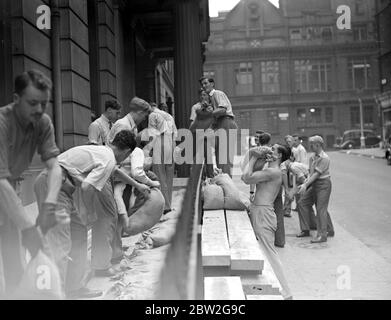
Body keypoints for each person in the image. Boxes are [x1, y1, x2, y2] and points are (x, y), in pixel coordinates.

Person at [35, 130, 150, 298]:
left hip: (60, 186)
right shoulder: (108, 159)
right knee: (59, 243)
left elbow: (115, 172)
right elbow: (87, 187)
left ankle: (74, 288)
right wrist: (89, 212)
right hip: (53, 185)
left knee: (79, 233)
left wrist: (138, 186)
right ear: (127, 152)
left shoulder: (104, 151)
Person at [0, 70, 63, 296]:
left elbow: (55, 166)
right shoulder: (2, 122)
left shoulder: (42, 123)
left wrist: (49, 205)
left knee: (14, 260)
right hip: (3, 187)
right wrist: (27, 227)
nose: (39, 109)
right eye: (33, 103)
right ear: (16, 99)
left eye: (44, 104)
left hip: (9, 190)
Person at [241, 144, 292, 300]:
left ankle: (287, 292)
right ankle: (276, 288)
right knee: (264, 252)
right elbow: (247, 169)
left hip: (263, 213)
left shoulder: (273, 172)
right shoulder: (269, 169)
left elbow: (246, 177)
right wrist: (256, 155)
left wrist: (256, 156)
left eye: (273, 149)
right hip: (260, 211)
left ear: (278, 156)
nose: (270, 150)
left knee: (270, 254)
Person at [297, 136, 335, 243]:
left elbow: (316, 175)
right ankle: (306, 229)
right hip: (314, 184)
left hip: (323, 184)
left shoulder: (325, 158)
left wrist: (305, 185)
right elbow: (310, 174)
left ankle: (322, 235)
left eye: (312, 144)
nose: (310, 146)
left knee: (320, 208)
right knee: (302, 203)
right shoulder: (312, 157)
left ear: (318, 145)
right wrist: (305, 183)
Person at [200, 77, 238, 177]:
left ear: (212, 84)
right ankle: (223, 180)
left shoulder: (217, 93)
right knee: (220, 156)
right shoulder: (210, 99)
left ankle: (227, 182)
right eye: (202, 84)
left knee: (224, 156)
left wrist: (209, 113)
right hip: (220, 124)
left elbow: (223, 110)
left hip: (226, 122)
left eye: (205, 83)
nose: (204, 86)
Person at [143, 102, 178, 214]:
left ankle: (164, 206)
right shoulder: (169, 116)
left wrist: (148, 149)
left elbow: (152, 134)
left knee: (159, 175)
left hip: (159, 143)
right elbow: (175, 134)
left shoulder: (152, 115)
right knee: (169, 177)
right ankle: (168, 204)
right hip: (171, 144)